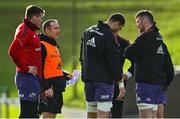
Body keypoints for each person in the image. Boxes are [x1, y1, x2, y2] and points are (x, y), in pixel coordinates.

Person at [124, 10, 174, 118]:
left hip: (146, 86)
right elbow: (169, 68)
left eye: (138, 22)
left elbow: (127, 52)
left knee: (147, 117)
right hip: (160, 86)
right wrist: (165, 84)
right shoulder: (160, 41)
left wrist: (139, 40)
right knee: (158, 116)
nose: (137, 25)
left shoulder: (144, 39)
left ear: (145, 21)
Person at [80, 13, 125, 118]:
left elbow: (81, 56)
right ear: (117, 23)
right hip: (104, 81)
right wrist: (120, 84)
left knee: (91, 112)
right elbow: (113, 61)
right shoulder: (108, 35)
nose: (118, 31)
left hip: (88, 80)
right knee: (103, 114)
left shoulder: (87, 31)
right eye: (120, 28)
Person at [8, 5, 45, 118]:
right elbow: (12, 51)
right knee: (28, 114)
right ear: (34, 18)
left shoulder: (30, 31)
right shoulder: (24, 30)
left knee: (33, 114)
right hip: (26, 77)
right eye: (40, 17)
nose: (41, 20)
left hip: (33, 79)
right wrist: (26, 68)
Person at [38, 19, 72, 118]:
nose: (58, 31)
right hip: (49, 88)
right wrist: (46, 87)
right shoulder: (42, 45)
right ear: (47, 30)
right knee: (48, 115)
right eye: (55, 28)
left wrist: (65, 75)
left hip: (57, 87)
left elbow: (55, 67)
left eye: (59, 28)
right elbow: (40, 68)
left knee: (53, 115)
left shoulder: (54, 45)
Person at [110, 32, 134, 118]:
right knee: (103, 110)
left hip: (119, 83)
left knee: (117, 111)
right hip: (103, 81)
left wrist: (128, 74)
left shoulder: (124, 43)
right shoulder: (101, 41)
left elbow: (137, 60)